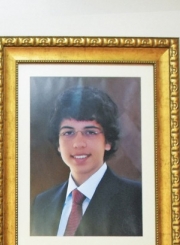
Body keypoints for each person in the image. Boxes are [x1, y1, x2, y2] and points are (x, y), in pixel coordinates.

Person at [31, 86, 142, 237]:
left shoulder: (138, 200)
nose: (78, 144)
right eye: (68, 132)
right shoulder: (42, 204)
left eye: (90, 132)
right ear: (58, 144)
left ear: (108, 141)